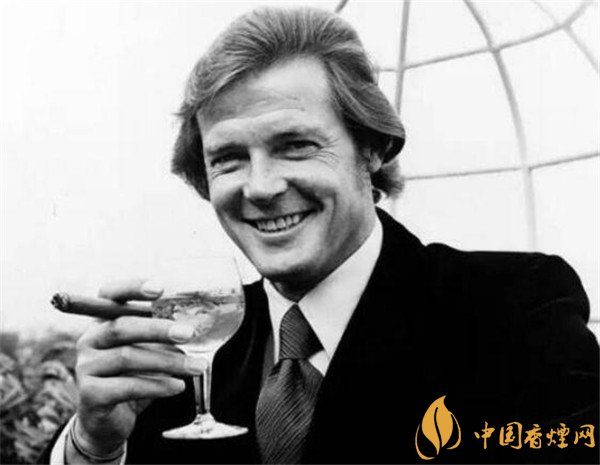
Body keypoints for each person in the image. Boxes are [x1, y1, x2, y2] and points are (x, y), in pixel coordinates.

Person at [43, 6, 598, 464]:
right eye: (229, 158)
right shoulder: (187, 354)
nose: (261, 186)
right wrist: (94, 446)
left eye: (296, 146)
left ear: (372, 147)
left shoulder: (516, 308)